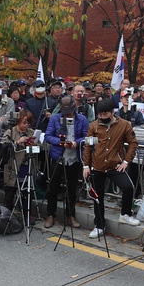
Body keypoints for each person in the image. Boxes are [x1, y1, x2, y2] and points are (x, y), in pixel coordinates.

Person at [83, 98, 140, 237]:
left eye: (104, 114)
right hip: (97, 165)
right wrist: (86, 165)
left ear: (112, 112)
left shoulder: (124, 125)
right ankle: (99, 225)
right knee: (97, 196)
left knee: (128, 187)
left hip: (115, 164)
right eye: (99, 114)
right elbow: (88, 146)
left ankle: (125, 214)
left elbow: (133, 143)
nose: (102, 117)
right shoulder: (94, 126)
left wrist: (126, 161)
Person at [44, 95, 88, 228]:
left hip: (74, 158)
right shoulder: (55, 118)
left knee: (71, 188)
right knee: (53, 187)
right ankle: (50, 215)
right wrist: (61, 142)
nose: (67, 114)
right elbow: (48, 136)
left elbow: (86, 136)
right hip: (58, 156)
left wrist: (76, 142)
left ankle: (70, 215)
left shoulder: (82, 119)